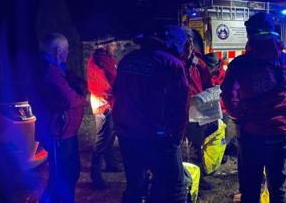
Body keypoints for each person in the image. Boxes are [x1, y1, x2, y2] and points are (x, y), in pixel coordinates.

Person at [221, 13, 286, 203]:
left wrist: (238, 117)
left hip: (251, 134)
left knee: (250, 189)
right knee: (278, 187)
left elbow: (227, 95)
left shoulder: (240, 64)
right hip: (280, 134)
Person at [112, 25, 189, 203]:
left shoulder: (127, 60)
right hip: (158, 137)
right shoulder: (172, 64)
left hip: (127, 134)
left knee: (135, 184)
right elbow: (180, 105)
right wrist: (176, 136)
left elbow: (117, 92)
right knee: (171, 188)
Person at [30, 33, 87, 203]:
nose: (69, 53)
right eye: (67, 50)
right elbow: (71, 100)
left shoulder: (58, 70)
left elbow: (80, 85)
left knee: (68, 173)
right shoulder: (50, 73)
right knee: (63, 176)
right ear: (58, 51)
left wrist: (76, 85)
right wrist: (81, 93)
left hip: (65, 131)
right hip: (58, 132)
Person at [181, 27, 216, 190]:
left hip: (195, 109)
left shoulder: (199, 62)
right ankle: (181, 179)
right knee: (175, 147)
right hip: (178, 109)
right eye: (185, 41)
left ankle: (198, 179)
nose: (188, 45)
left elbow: (207, 85)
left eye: (190, 41)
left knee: (196, 145)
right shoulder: (174, 61)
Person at [86, 37, 121, 189]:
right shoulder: (98, 60)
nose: (115, 46)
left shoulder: (105, 58)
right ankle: (95, 173)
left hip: (109, 103)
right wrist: (115, 94)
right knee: (102, 138)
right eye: (112, 43)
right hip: (104, 104)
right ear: (105, 44)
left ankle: (110, 163)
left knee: (110, 135)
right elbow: (104, 84)